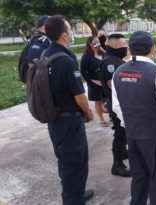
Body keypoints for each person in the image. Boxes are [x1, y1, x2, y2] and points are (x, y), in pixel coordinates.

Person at [112, 31, 156, 205]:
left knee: (139, 176)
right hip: (155, 136)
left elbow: (116, 106)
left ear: (129, 49)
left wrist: (128, 123)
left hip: (133, 133)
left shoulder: (118, 72)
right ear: (152, 49)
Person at [44, 15, 94, 205]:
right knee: (77, 162)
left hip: (54, 118)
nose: (72, 33)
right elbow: (79, 96)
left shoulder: (46, 54)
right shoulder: (66, 60)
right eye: (71, 30)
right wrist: (88, 113)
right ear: (64, 35)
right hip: (69, 120)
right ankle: (73, 200)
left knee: (64, 160)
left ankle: (73, 195)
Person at [100, 33, 130, 177]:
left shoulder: (116, 60)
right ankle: (117, 165)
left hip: (121, 103)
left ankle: (123, 152)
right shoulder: (110, 63)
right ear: (116, 46)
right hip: (116, 105)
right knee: (120, 133)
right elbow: (113, 86)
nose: (127, 47)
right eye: (124, 45)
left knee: (123, 133)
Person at [80, 36, 108, 127]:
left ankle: (111, 115)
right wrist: (90, 83)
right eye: (95, 42)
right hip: (95, 83)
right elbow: (83, 72)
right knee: (98, 101)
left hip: (105, 83)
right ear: (89, 44)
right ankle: (101, 119)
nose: (97, 44)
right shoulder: (86, 57)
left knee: (109, 99)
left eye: (98, 42)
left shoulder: (103, 53)